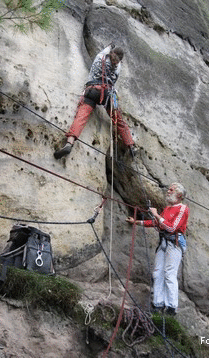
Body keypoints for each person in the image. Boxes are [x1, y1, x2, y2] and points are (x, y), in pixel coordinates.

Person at [54, 43, 135, 159]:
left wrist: (110, 45)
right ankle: (131, 145)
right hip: (109, 94)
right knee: (119, 120)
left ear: (111, 53)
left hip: (92, 90)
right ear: (120, 60)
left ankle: (69, 143)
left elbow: (106, 50)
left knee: (81, 116)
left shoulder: (101, 56)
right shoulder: (118, 68)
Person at [126, 183, 189, 315]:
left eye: (171, 190)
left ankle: (172, 307)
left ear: (179, 195)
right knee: (157, 273)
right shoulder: (167, 209)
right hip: (164, 243)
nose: (168, 192)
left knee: (169, 273)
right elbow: (156, 223)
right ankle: (158, 304)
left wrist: (156, 215)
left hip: (175, 243)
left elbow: (171, 228)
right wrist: (136, 222)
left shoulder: (182, 208)